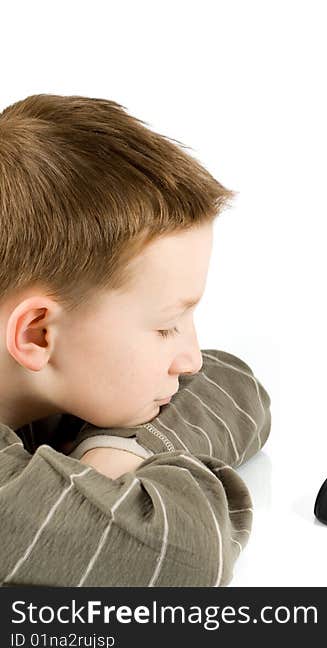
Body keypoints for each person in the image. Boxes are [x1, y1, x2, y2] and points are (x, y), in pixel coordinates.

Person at [0, 94, 271, 586]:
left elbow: (234, 384)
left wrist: (114, 451)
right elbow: (186, 555)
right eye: (166, 327)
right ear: (37, 333)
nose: (188, 360)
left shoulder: (46, 382)